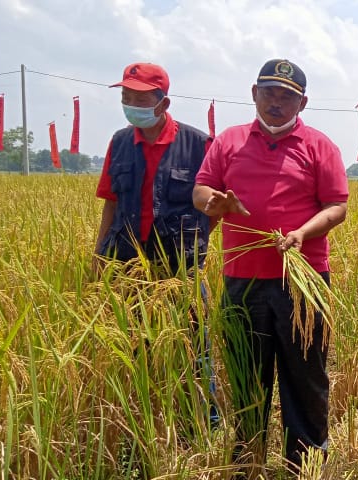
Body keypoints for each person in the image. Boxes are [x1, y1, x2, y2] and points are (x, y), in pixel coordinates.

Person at [192, 58, 349, 471]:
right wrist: (212, 202)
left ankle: (306, 464)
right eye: (269, 92)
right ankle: (247, 462)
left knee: (305, 377)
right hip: (242, 281)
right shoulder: (229, 141)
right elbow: (202, 187)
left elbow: (337, 207)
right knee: (247, 377)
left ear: (303, 102)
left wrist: (302, 233)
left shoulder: (319, 146)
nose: (276, 102)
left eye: (287, 96)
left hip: (302, 281)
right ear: (253, 93)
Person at [93, 62, 217, 430]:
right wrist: (98, 257)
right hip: (128, 269)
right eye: (125, 97)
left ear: (163, 104)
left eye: (139, 98)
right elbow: (110, 203)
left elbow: (215, 206)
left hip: (181, 271)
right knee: (136, 352)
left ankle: (202, 427)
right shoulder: (119, 142)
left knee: (195, 351)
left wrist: (196, 241)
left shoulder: (198, 144)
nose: (130, 104)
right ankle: (145, 427)